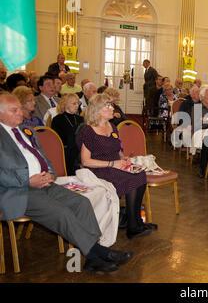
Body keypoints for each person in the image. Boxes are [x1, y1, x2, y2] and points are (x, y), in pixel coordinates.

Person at [0, 93, 131, 272]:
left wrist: (51, 174)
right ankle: (98, 253)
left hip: (46, 183)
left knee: (82, 203)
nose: (20, 113)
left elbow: (44, 157)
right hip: (19, 191)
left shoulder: (25, 130)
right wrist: (27, 180)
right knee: (63, 212)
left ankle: (93, 255)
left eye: (20, 109)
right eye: (14, 110)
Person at [77, 93, 155, 239]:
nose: (112, 108)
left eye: (111, 105)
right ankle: (133, 226)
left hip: (115, 165)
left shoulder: (111, 126)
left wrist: (123, 157)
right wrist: (113, 163)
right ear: (98, 110)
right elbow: (86, 161)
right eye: (108, 106)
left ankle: (138, 221)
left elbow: (117, 149)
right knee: (131, 180)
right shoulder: (88, 131)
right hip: (98, 169)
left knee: (141, 174)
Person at [51, 93, 84, 175]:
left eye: (78, 103)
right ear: (65, 104)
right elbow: (58, 140)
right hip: (66, 152)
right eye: (74, 103)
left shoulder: (80, 119)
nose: (77, 106)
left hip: (80, 150)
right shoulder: (57, 120)